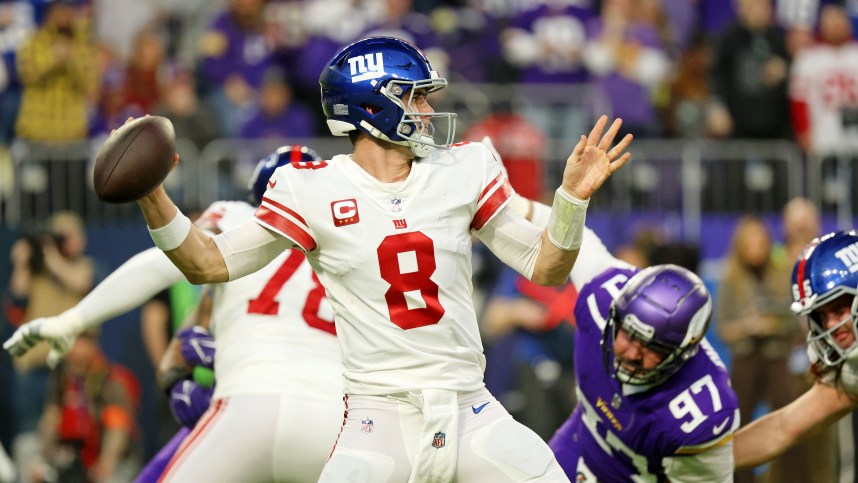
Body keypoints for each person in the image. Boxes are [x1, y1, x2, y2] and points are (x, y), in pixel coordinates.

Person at [125, 36, 632, 482]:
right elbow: (208, 263)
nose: (428, 112)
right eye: (414, 98)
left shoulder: (465, 167)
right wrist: (153, 196)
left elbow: (548, 268)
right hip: (379, 418)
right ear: (372, 106)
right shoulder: (310, 188)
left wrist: (570, 202)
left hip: (469, 407)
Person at [5, 145, 345, 482]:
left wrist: (73, 319)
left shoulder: (236, 216)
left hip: (250, 402)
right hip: (334, 420)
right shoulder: (347, 240)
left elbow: (162, 265)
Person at [545, 225, 739, 481]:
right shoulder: (602, 298)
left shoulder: (700, 409)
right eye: (630, 334)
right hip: (574, 448)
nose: (632, 353)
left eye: (653, 347)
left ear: (682, 354)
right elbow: (560, 228)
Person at [732, 230, 858, 470]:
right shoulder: (852, 371)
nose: (831, 325)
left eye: (840, 308)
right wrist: (697, 464)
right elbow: (783, 428)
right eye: (821, 315)